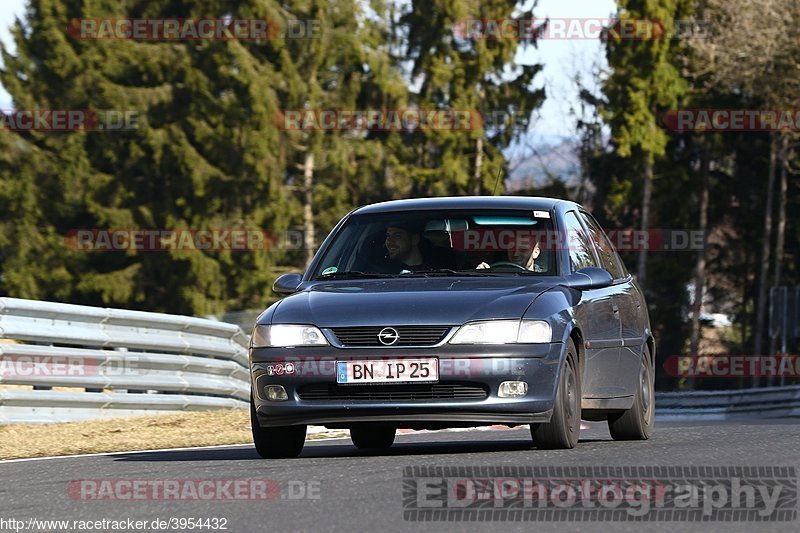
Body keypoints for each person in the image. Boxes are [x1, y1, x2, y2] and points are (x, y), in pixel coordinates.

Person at [476, 233, 546, 272]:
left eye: (523, 250)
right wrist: (483, 274)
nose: (515, 254)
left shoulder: (546, 278)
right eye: (512, 249)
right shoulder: (497, 274)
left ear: (536, 253)